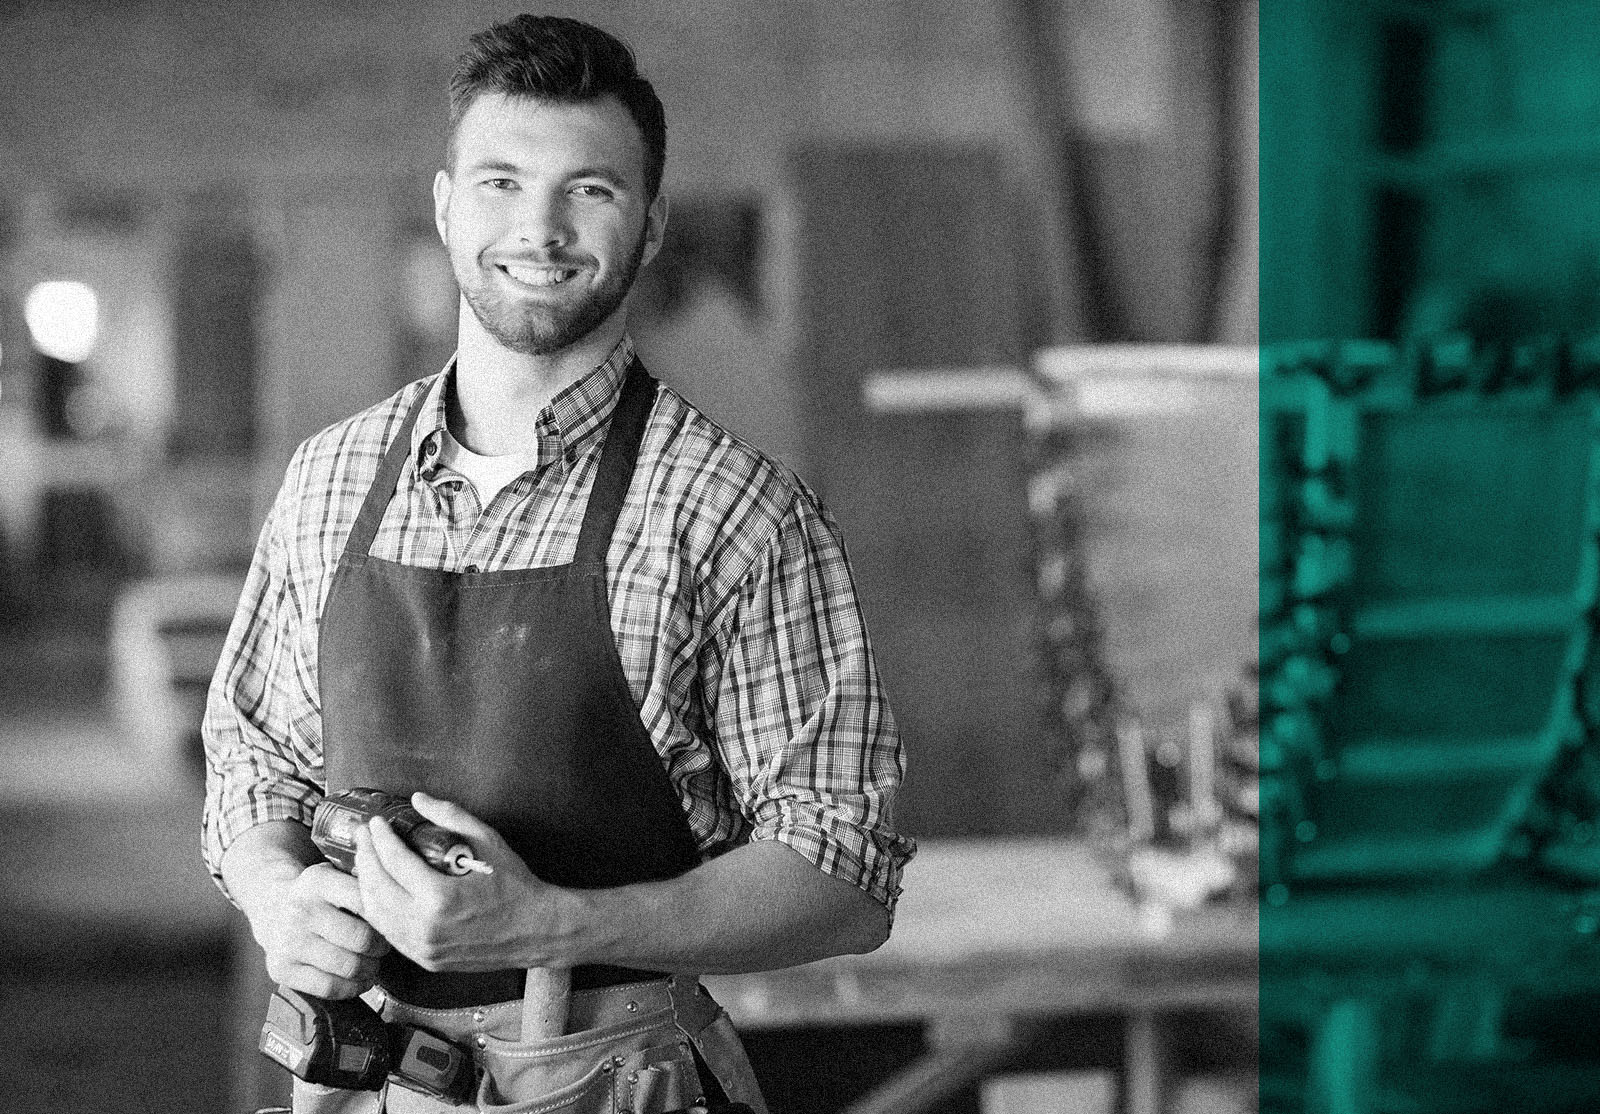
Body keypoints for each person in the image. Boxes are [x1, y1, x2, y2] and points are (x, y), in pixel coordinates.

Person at [201, 13, 913, 1113]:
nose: (538, 227)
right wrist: (277, 895)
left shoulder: (735, 511)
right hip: (362, 1075)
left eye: (590, 189)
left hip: (613, 1078)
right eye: (499, 181)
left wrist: (559, 924)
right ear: (444, 206)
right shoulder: (329, 479)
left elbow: (844, 870)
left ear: (652, 221)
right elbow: (253, 756)